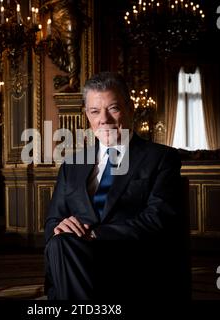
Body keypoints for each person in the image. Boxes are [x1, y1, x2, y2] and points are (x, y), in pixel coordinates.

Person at [44, 71, 191, 302]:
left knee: (65, 249)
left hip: (130, 260)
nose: (104, 119)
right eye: (95, 111)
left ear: (129, 108)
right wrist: (61, 226)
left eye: (113, 108)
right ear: (87, 115)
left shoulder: (161, 158)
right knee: (60, 241)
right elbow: (52, 221)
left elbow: (158, 219)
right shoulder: (72, 165)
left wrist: (95, 234)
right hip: (75, 255)